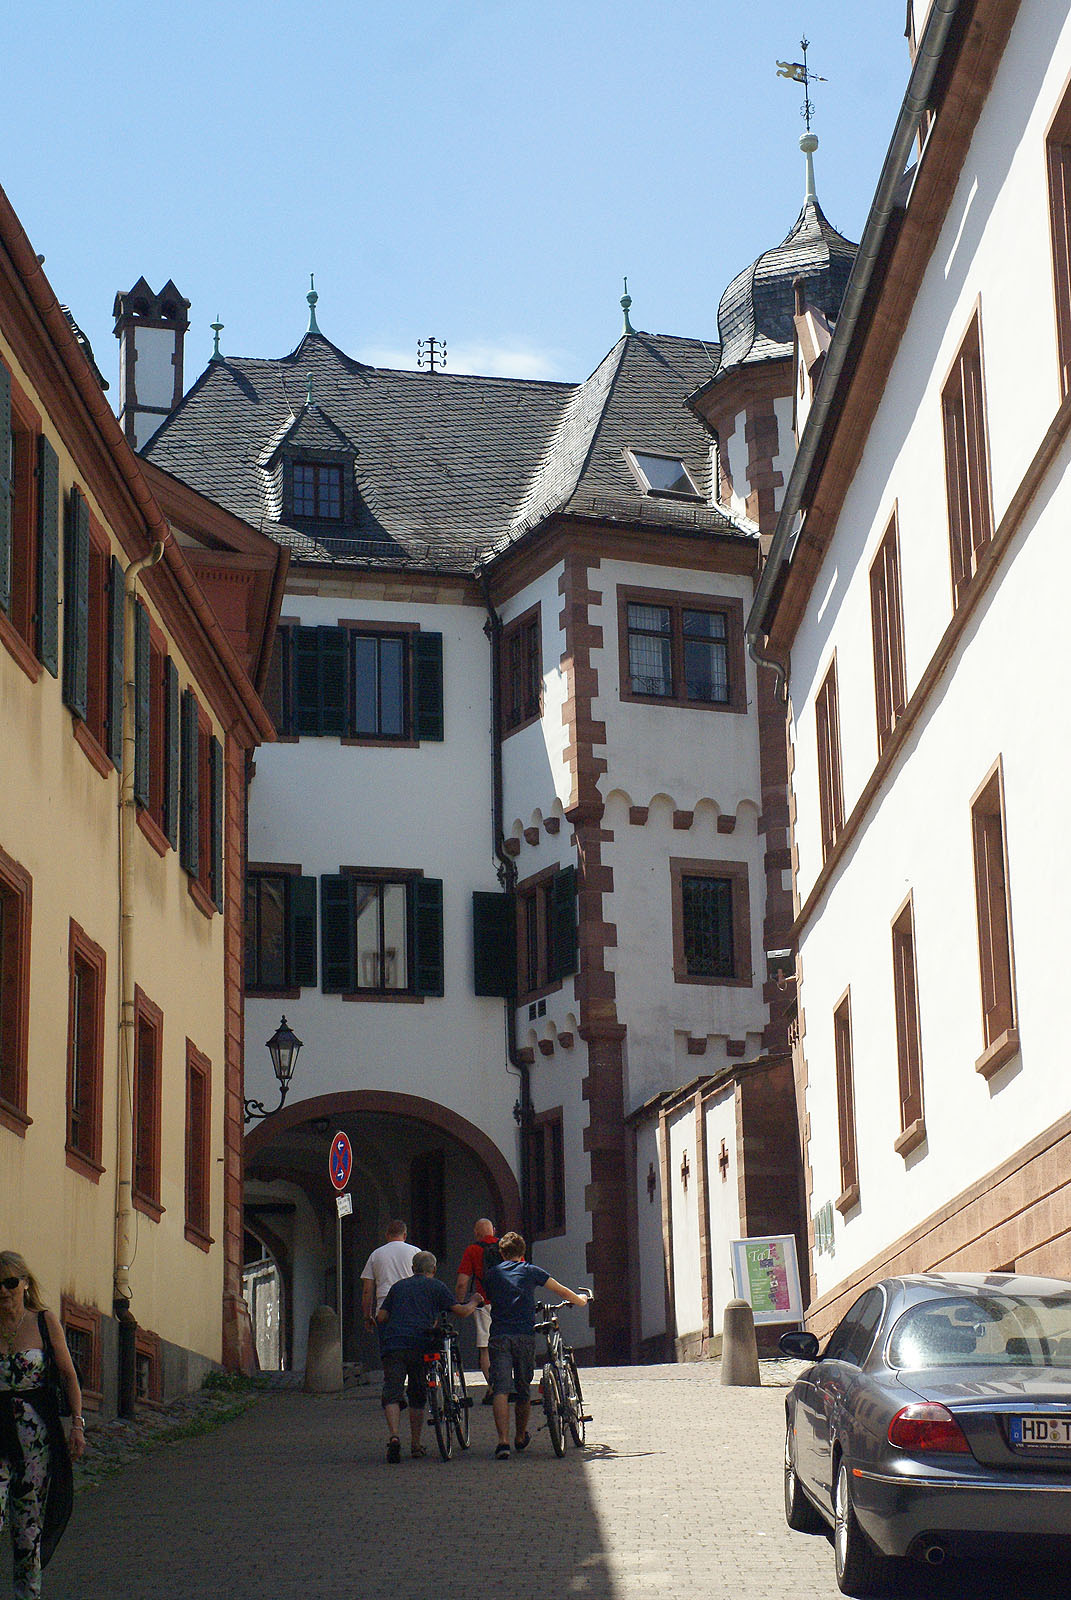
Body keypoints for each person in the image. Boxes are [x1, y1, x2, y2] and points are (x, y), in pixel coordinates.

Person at [0, 1252, 85, 1599]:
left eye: (10, 1282)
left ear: (25, 1283)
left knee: (27, 1526)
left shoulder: (43, 1321)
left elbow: (68, 1375)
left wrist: (77, 1424)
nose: (3, 1290)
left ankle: (27, 1595)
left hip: (34, 1440)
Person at [483, 1231, 589, 1460]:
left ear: (502, 1253)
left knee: (500, 1389)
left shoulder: (492, 1274)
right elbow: (560, 1290)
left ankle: (502, 1442)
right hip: (524, 1335)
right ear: (522, 1253)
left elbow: (488, 1296)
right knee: (523, 1388)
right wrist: (580, 1301)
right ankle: (520, 1436)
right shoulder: (530, 1270)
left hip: (500, 1335)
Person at [375, 1252, 475, 1461]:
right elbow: (461, 1311)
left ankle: (394, 1436)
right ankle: (415, 1443)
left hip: (394, 1344)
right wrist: (474, 1301)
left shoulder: (398, 1287)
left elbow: (381, 1316)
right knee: (417, 1393)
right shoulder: (437, 1286)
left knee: (392, 1391)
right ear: (434, 1269)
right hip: (421, 1344)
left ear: (413, 1269)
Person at [454, 1218, 498, 1404]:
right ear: (493, 1230)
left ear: (476, 1233)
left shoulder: (472, 1250)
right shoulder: (507, 1245)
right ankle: (511, 1384)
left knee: (485, 1348)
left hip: (483, 1302)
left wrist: (459, 1303)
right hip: (507, 1303)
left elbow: (462, 1282)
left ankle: (494, 1388)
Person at [360, 1221, 419, 1334]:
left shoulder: (376, 1255)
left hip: (384, 1310)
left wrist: (367, 1316)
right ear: (405, 1235)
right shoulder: (416, 1252)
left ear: (387, 1235)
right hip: (411, 1309)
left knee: (388, 1344)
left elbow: (367, 1290)